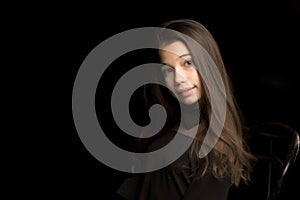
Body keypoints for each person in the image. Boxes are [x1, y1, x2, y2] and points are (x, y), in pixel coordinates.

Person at [116, 19, 256, 200]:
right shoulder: (169, 126)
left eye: (187, 63)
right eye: (168, 70)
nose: (178, 78)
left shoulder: (215, 148)